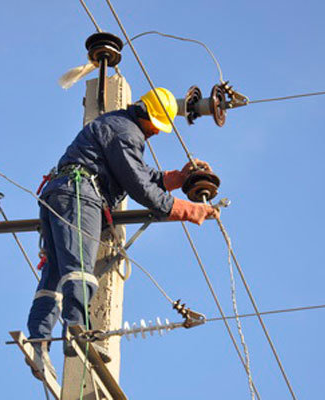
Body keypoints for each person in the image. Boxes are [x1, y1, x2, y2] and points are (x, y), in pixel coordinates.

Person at [26, 87, 219, 379]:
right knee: (79, 268)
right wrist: (188, 210)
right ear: (148, 116)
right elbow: (140, 187)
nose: (156, 132)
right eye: (157, 125)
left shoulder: (117, 124)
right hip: (80, 194)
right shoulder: (127, 133)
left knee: (54, 272)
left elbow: (136, 172)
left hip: (61, 192)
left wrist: (177, 178)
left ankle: (38, 341)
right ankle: (77, 330)